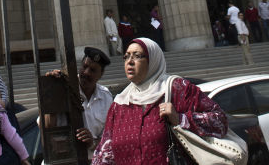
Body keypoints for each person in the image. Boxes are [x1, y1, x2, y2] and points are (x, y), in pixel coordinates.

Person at [91, 37, 229, 164]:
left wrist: (181, 119)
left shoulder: (178, 89)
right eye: (126, 56)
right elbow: (105, 153)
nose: (130, 61)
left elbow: (220, 121)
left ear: (153, 60)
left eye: (137, 56)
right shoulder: (120, 104)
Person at [43, 47, 114, 159]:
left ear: (101, 74)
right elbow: (46, 127)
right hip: (63, 160)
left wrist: (92, 142)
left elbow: (109, 138)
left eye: (92, 70)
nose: (86, 72)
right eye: (85, 67)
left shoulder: (106, 97)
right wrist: (52, 91)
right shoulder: (63, 86)